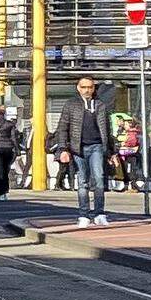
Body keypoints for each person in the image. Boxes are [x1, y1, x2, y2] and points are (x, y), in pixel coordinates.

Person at [55, 75, 114, 228]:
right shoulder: (71, 104)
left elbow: (108, 129)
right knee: (83, 182)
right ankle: (84, 215)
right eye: (84, 87)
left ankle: (100, 213)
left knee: (99, 179)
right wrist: (63, 149)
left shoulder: (101, 104)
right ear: (78, 88)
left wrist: (112, 152)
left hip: (97, 146)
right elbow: (63, 127)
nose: (87, 90)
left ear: (94, 88)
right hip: (78, 148)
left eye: (90, 87)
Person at [118, 119, 142, 192]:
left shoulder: (132, 133)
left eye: (126, 125)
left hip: (130, 154)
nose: (124, 126)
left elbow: (132, 142)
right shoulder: (129, 132)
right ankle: (131, 184)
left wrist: (123, 144)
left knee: (129, 170)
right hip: (128, 154)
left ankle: (131, 184)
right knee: (129, 169)